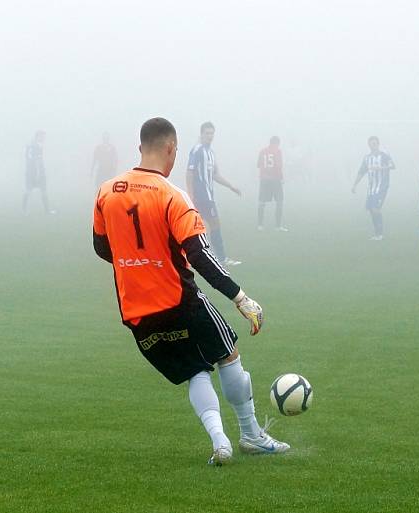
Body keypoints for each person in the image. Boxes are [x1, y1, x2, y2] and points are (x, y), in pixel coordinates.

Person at [93, 117, 289, 466]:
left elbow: (101, 247)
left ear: (141, 148)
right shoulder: (172, 195)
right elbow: (199, 253)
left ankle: (220, 442)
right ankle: (251, 435)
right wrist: (240, 298)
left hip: (136, 311)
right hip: (178, 300)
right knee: (227, 354)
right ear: (171, 149)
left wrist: (136, 263)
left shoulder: (107, 191)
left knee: (194, 372)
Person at [186, 122, 242, 266]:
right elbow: (189, 172)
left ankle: (206, 257)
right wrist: (191, 195)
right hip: (200, 197)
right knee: (209, 224)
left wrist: (231, 186)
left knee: (204, 225)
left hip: (209, 197)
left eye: (212, 133)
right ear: (201, 134)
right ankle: (220, 258)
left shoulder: (211, 153)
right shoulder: (197, 150)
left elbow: (215, 175)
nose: (210, 136)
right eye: (207, 133)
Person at [351, 136, 395, 240]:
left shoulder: (384, 155)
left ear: (378, 144)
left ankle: (380, 234)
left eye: (374, 143)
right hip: (371, 188)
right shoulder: (367, 158)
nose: (372, 146)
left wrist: (381, 168)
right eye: (371, 144)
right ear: (368, 145)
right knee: (371, 209)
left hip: (382, 186)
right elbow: (361, 172)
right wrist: (354, 185)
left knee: (375, 208)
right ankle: (377, 234)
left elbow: (393, 166)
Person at [256, 136, 287, 231]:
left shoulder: (262, 151)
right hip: (275, 179)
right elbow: (278, 166)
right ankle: (278, 226)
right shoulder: (278, 151)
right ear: (277, 143)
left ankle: (260, 225)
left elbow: (258, 164)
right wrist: (281, 178)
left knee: (262, 203)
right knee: (279, 202)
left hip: (264, 179)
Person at [23, 130, 56, 215]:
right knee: (29, 190)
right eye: (42, 136)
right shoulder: (34, 146)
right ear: (38, 136)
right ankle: (25, 210)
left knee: (43, 191)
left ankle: (47, 210)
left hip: (37, 172)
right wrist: (37, 172)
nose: (44, 138)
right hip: (34, 173)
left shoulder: (35, 145)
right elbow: (32, 160)